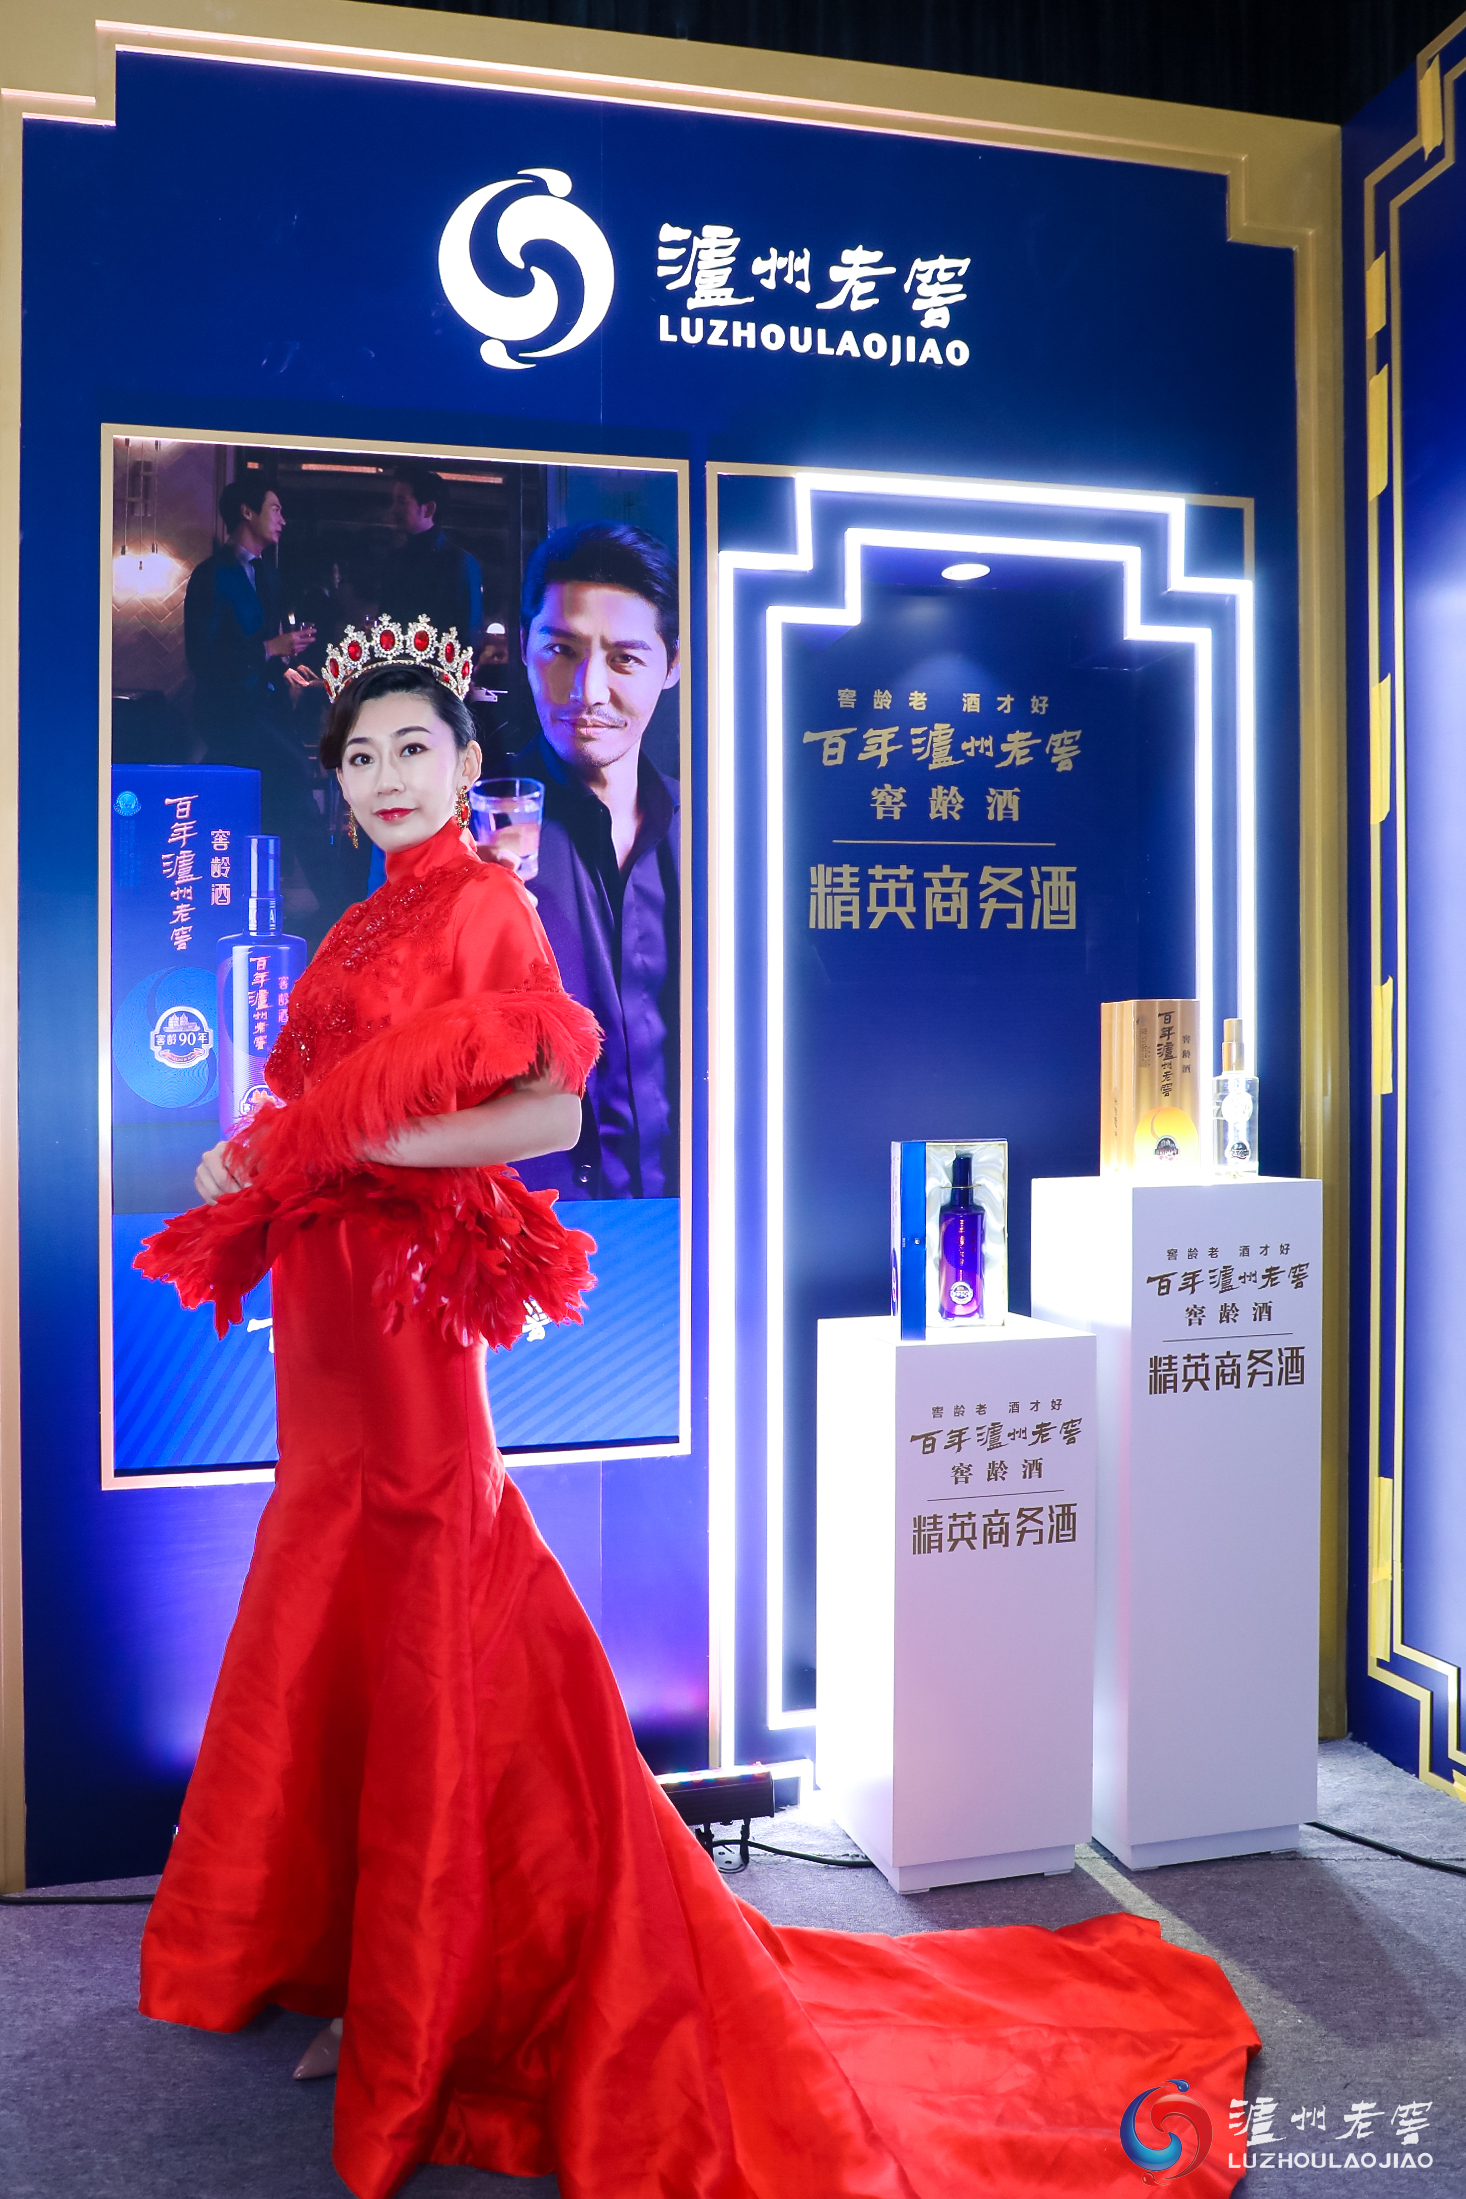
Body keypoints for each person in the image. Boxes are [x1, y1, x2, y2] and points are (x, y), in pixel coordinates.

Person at [133, 623, 1259, 2199]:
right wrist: (257, 1151)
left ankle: (436, 1984)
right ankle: (369, 1958)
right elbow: (316, 1110)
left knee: (434, 1600)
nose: (387, 774)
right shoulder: (356, 927)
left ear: (466, 764)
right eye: (362, 754)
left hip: (403, 1315)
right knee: (346, 1607)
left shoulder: (481, 902)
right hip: (322, 1314)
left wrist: (355, 1148)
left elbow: (547, 1109)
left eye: (415, 747)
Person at [509, 522, 681, 1200]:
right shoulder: (462, 835)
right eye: (561, 650)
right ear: (524, 648)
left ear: (672, 666)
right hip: (526, 1229)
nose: (589, 690)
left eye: (626, 659)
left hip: (695, 1225)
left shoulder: (714, 836)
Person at [377, 462, 482, 647]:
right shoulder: (393, 560)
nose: (393, 509)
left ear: (429, 509)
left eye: (401, 501)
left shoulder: (461, 563)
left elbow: (470, 637)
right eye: (394, 501)